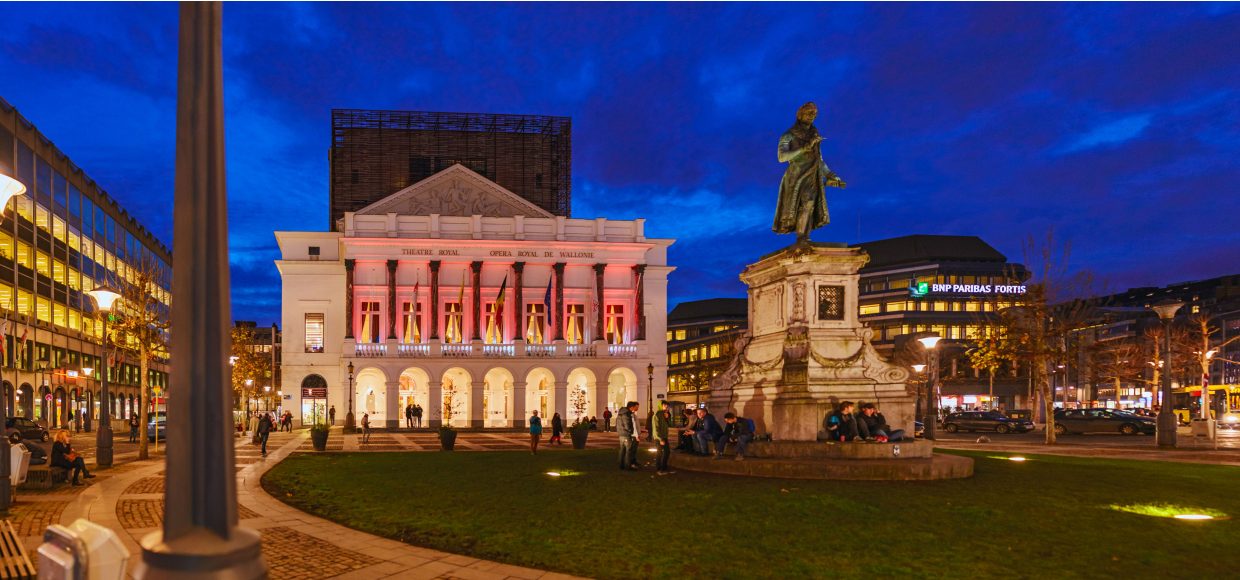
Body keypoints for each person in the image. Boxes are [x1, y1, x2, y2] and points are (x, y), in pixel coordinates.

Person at [616, 401, 641, 470]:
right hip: (626, 435)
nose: (634, 409)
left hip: (621, 434)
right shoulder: (627, 414)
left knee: (622, 450)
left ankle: (621, 465)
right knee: (628, 451)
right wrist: (631, 432)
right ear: (631, 407)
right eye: (634, 407)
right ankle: (628, 466)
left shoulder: (621, 413)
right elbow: (628, 425)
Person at [653, 401, 673, 475]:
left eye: (667, 406)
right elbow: (656, 428)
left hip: (664, 436)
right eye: (665, 406)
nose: (667, 407)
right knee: (660, 453)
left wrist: (667, 418)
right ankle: (659, 469)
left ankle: (664, 467)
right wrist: (660, 438)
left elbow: (669, 425)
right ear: (660, 406)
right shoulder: (657, 415)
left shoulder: (665, 414)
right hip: (659, 437)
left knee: (667, 452)